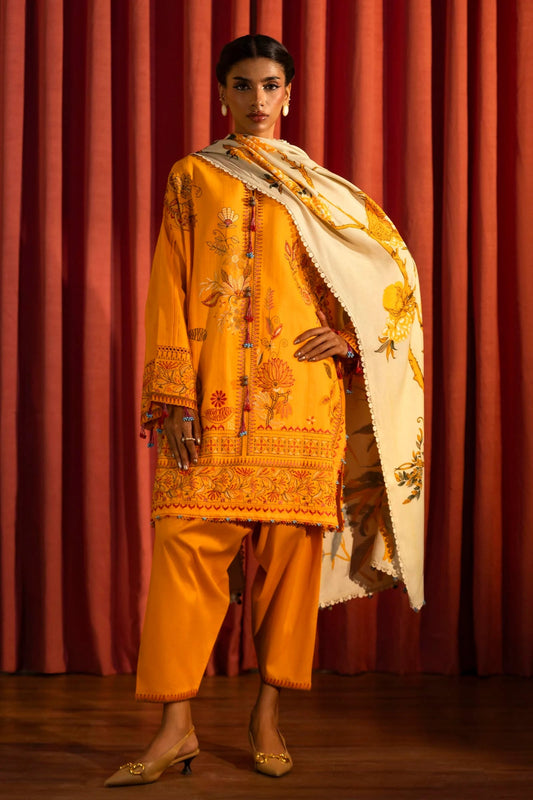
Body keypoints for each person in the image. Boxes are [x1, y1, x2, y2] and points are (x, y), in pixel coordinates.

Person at [105, 34, 425, 787]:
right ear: (221, 93)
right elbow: (169, 288)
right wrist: (170, 393)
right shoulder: (193, 176)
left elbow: (388, 278)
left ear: (290, 95)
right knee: (184, 555)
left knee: (287, 567)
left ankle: (268, 716)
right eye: (242, 85)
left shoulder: (321, 190)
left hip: (300, 407)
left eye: (270, 85)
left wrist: (350, 339)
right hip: (209, 403)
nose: (256, 100)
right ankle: (174, 729)